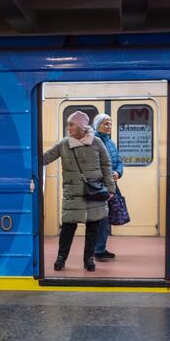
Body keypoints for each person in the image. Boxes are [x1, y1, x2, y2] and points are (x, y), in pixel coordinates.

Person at [43, 111, 116, 272]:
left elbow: (106, 166)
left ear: (82, 126)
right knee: (68, 228)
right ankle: (61, 258)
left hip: (94, 192)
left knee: (93, 228)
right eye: (68, 124)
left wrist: (111, 188)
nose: (68, 127)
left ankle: (89, 259)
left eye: (71, 124)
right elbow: (45, 158)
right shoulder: (64, 144)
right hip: (73, 194)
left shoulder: (96, 142)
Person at [92, 113, 124, 261]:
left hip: (112, 185)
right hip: (99, 186)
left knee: (107, 217)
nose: (109, 126)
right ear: (97, 125)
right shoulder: (93, 142)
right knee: (101, 218)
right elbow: (92, 165)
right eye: (106, 124)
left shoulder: (111, 143)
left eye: (110, 124)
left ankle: (101, 248)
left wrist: (118, 172)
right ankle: (97, 250)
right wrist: (106, 175)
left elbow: (119, 161)